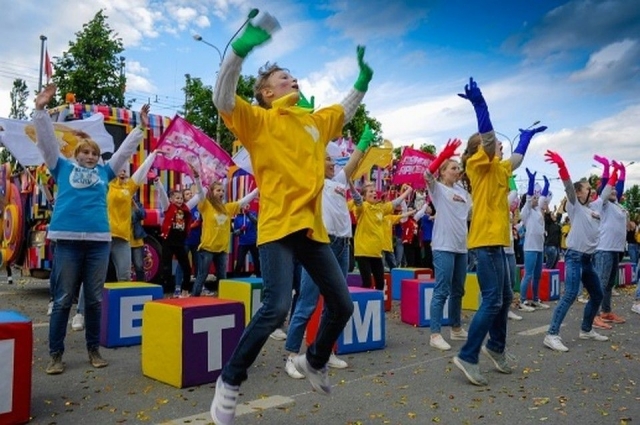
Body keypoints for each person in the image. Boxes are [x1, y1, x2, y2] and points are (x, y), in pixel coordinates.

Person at [209, 12, 373, 425]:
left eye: (293, 76)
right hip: (277, 226)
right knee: (276, 305)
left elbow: (345, 111)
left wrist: (362, 82)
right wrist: (238, 53)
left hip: (311, 229)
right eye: (283, 78)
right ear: (265, 92)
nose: (292, 80)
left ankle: (315, 359)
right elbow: (222, 98)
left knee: (342, 304)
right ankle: (229, 382)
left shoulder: (314, 122)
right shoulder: (259, 121)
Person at [34, 84, 147, 374]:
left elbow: (122, 154)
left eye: (94, 153)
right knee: (62, 299)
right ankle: (56, 354)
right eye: (84, 152)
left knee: (95, 300)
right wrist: (41, 110)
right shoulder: (61, 167)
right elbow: (46, 142)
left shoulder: (105, 173)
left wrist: (139, 129)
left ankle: (93, 349)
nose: (89, 156)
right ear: (75, 154)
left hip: (99, 242)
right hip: (68, 241)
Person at [452, 77, 545, 386]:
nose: (499, 145)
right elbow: (491, 142)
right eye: (491, 143)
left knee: (505, 297)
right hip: (486, 240)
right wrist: (481, 105)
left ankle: (496, 347)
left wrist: (526, 138)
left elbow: (515, 158)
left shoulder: (501, 167)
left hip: (500, 242)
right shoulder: (479, 163)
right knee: (492, 300)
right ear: (478, 149)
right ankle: (467, 355)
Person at [284, 125, 373, 379]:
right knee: (307, 302)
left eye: (333, 161)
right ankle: (291, 356)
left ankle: (325, 351)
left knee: (335, 304)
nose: (333, 164)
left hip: (343, 245)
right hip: (319, 246)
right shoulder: (310, 181)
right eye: (327, 160)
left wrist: (365, 141)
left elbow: (354, 161)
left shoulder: (338, 182)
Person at [72, 149, 159, 329]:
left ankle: (123, 317)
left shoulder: (129, 187)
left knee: (125, 277)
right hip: (103, 237)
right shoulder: (104, 183)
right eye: (119, 168)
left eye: (125, 169)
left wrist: (152, 155)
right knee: (93, 277)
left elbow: (142, 171)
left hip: (123, 239)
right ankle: (79, 313)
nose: (122, 171)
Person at [543, 150, 609, 352]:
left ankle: (586, 329)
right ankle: (551, 334)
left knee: (597, 295)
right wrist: (562, 167)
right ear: (579, 193)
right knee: (571, 293)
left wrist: (610, 171)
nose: (592, 191)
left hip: (588, 259)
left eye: (591, 188)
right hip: (574, 256)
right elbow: (568, 187)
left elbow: (606, 190)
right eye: (588, 189)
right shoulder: (575, 206)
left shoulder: (593, 208)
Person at [422, 139, 472, 351]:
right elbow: (426, 175)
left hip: (461, 247)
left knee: (458, 290)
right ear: (442, 172)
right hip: (443, 246)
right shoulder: (438, 189)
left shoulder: (464, 193)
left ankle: (456, 327)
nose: (457, 170)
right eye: (452, 168)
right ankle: (435, 334)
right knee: (441, 290)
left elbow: (471, 214)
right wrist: (443, 155)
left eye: (457, 167)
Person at [192, 181, 258, 296]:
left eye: (222, 190)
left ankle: (223, 302)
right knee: (202, 276)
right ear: (211, 193)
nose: (221, 192)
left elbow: (243, 201)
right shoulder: (206, 205)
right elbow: (200, 194)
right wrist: (198, 179)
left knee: (222, 278)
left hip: (222, 250)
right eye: (218, 190)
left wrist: (258, 189)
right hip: (207, 248)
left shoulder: (228, 208)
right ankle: (193, 300)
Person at [354, 183, 413, 290]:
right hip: (363, 252)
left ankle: (378, 306)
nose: (374, 193)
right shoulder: (362, 208)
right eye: (370, 191)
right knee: (367, 283)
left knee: (380, 284)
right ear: (364, 196)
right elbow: (357, 200)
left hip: (376, 253)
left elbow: (395, 203)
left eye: (374, 191)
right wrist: (350, 183)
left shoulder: (380, 209)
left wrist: (408, 191)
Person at [155, 167, 202, 297]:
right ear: (171, 199)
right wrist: (156, 182)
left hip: (180, 242)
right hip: (168, 241)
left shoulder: (186, 208)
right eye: (177, 198)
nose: (180, 200)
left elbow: (199, 195)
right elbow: (162, 195)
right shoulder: (168, 207)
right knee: (166, 269)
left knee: (187, 267)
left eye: (181, 198)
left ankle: (185, 291)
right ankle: (164, 292)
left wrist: (197, 179)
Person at [592, 158, 627, 329]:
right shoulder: (604, 204)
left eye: (615, 189)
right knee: (601, 282)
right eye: (611, 189)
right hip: (604, 249)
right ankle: (594, 314)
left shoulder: (617, 205)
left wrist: (623, 173)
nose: (614, 190)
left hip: (615, 250)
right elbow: (607, 187)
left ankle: (606, 311)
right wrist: (608, 170)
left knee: (608, 284)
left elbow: (618, 187)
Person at [518, 170, 551, 311]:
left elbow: (543, 196)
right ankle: (522, 301)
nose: (537, 200)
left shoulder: (537, 210)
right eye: (534, 198)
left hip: (539, 247)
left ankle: (536, 299)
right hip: (530, 247)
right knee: (528, 274)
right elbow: (530, 197)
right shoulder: (527, 211)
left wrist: (547, 184)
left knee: (537, 275)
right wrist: (531, 181)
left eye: (538, 199)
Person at [175, 186, 203, 296]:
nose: (190, 195)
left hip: (196, 241)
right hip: (185, 241)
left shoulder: (198, 208)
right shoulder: (182, 209)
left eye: (190, 194)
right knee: (182, 264)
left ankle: (199, 286)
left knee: (198, 264)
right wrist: (192, 225)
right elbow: (179, 225)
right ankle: (177, 287)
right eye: (187, 194)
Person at [232, 203, 260, 277]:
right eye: (244, 206)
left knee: (257, 261)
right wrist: (241, 230)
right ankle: (236, 278)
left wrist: (248, 214)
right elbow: (235, 233)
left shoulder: (253, 214)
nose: (246, 207)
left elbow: (256, 222)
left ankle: (259, 277)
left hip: (253, 242)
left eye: (247, 205)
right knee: (239, 262)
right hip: (243, 243)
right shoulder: (237, 218)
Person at [131, 195, 147, 282]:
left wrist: (134, 204)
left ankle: (141, 286)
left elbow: (143, 215)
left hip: (137, 240)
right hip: (123, 241)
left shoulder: (138, 204)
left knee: (139, 266)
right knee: (124, 268)